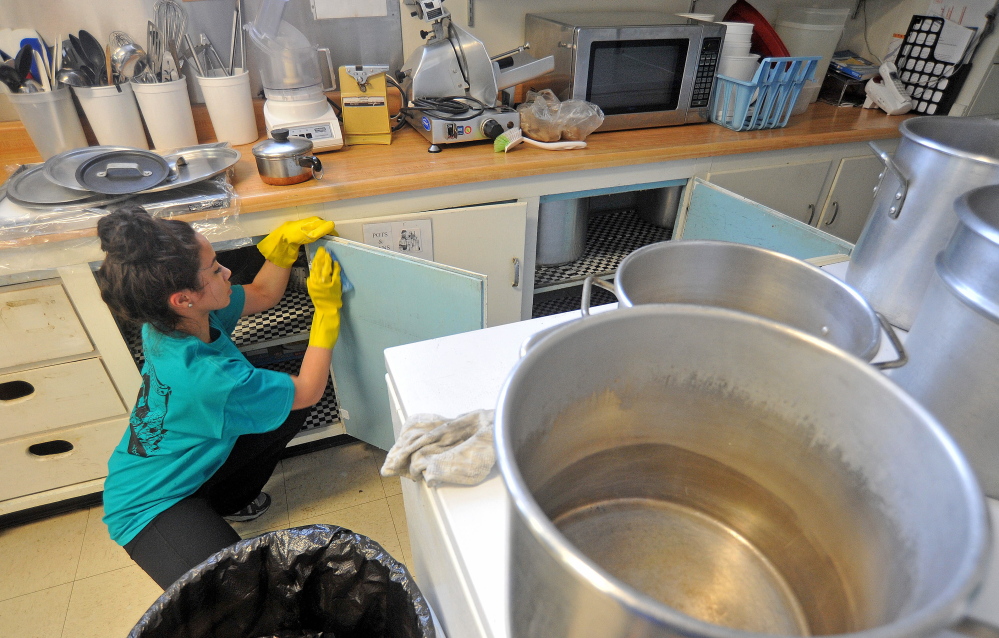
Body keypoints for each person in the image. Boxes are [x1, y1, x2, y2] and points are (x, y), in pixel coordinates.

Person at [94, 206, 343, 590]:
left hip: (190, 462)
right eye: (214, 269)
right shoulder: (208, 377)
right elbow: (308, 388)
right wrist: (326, 313)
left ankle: (226, 503)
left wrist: (282, 250)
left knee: (285, 411)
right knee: (244, 592)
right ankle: (201, 516)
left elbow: (262, 293)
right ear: (184, 298)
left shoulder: (172, 323)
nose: (227, 271)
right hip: (149, 504)